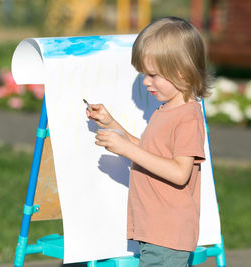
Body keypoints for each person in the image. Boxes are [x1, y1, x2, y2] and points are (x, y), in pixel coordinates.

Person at [87, 16, 210, 267]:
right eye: (144, 74)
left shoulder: (188, 117)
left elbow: (179, 172)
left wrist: (127, 149)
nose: (145, 82)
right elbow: (149, 151)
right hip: (156, 231)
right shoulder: (166, 111)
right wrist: (113, 125)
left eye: (153, 75)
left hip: (168, 234)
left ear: (182, 73)